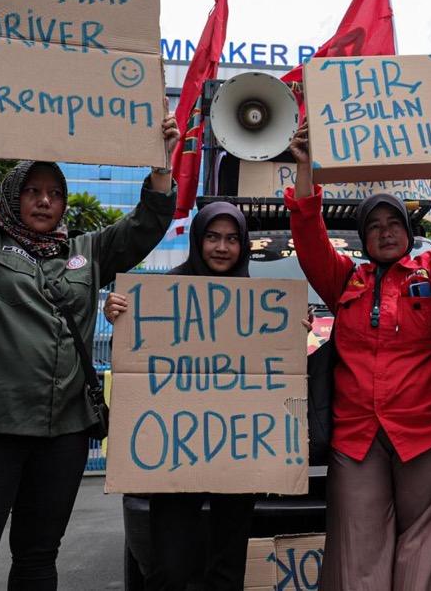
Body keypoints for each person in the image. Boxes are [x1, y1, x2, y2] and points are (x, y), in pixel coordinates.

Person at [0, 20, 178, 590]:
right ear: (14, 194)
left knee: (37, 563)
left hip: (64, 435)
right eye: (34, 191)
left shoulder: (86, 252)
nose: (46, 202)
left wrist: (160, 162)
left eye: (55, 194)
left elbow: (147, 224)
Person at [285, 119, 431, 591]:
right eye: (374, 225)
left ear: (409, 232)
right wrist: (306, 167)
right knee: (356, 559)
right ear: (362, 238)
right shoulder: (344, 279)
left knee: (423, 549)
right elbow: (309, 235)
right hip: (357, 437)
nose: (386, 232)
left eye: (395, 223)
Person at [103, 202, 259, 591]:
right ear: (197, 240)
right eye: (211, 237)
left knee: (227, 569)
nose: (221, 247)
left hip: (237, 451)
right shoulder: (160, 295)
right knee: (170, 570)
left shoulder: (261, 304)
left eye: (231, 239)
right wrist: (120, 313)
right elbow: (137, 361)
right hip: (174, 451)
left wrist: (295, 329)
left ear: (243, 246)